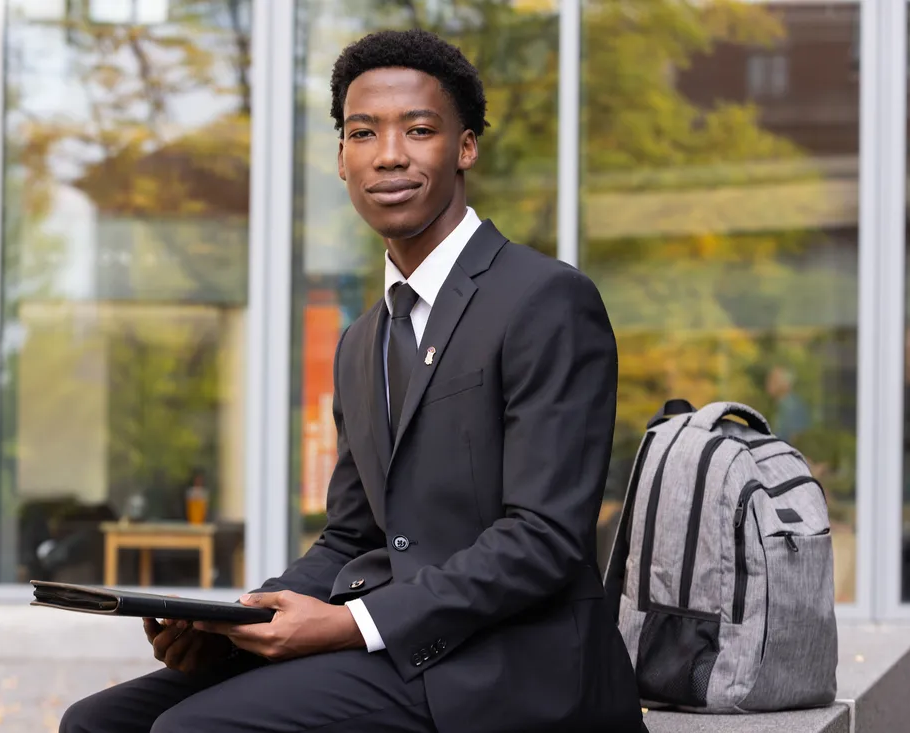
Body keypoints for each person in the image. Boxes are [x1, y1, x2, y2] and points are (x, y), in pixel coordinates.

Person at [60, 28, 644, 733]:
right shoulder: (363, 339)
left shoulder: (544, 299)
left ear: (464, 149)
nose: (389, 153)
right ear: (341, 159)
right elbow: (349, 537)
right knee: (97, 722)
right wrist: (239, 618)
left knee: (194, 730)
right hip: (403, 648)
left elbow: (543, 537)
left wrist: (349, 623)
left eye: (419, 129)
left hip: (512, 665)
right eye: (363, 132)